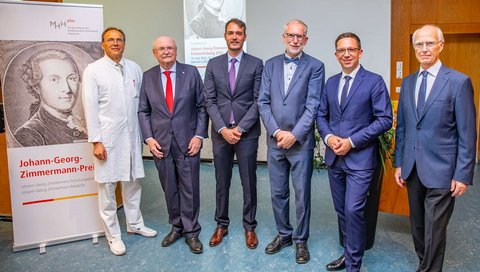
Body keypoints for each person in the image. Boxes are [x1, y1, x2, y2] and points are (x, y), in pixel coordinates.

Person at [394, 24, 476, 272]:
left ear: (441, 45)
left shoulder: (459, 82)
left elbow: (467, 132)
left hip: (442, 168)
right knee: (418, 225)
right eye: (419, 44)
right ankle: (424, 263)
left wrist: (462, 174)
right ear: (414, 48)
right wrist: (399, 162)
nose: (424, 49)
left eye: (430, 43)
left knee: (435, 227)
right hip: (412, 166)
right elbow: (404, 128)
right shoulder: (408, 83)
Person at [316, 32, 393, 271]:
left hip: (360, 159)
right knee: (341, 211)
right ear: (335, 54)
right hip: (334, 158)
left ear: (360, 52)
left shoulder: (373, 81)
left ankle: (353, 265)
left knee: (353, 210)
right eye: (341, 50)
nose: (346, 54)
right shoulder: (330, 83)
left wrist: (351, 141)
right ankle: (348, 254)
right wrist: (329, 138)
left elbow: (385, 120)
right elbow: (321, 115)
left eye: (351, 49)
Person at [82, 27, 157, 256]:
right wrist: (96, 141)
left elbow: (142, 105)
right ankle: (113, 236)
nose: (115, 43)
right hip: (107, 139)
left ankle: (134, 224)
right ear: (102, 44)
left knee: (133, 183)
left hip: (131, 136)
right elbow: (90, 106)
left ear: (124, 43)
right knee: (107, 188)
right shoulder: (93, 71)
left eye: (119, 40)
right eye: (110, 40)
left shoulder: (133, 68)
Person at [258, 19, 324, 264]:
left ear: (306, 40)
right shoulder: (270, 65)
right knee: (277, 192)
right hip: (275, 142)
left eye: (300, 36)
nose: (295, 40)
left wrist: (294, 134)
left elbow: (313, 105)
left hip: (300, 143)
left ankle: (301, 240)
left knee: (301, 194)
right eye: (291, 35)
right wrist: (277, 132)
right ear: (283, 37)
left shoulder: (316, 66)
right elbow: (263, 102)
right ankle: (283, 234)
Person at [138, 36, 208, 254]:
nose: (166, 51)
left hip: (188, 142)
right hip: (161, 143)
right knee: (169, 188)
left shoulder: (191, 72)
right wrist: (149, 139)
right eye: (161, 48)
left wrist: (198, 136)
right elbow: (143, 110)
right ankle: (176, 226)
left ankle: (191, 231)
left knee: (189, 188)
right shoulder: (148, 76)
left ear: (176, 50)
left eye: (170, 48)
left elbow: (202, 107)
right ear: (154, 52)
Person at [203, 18, 263, 249]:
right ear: (225, 36)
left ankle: (250, 227)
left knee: (249, 181)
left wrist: (239, 129)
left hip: (246, 133)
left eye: (239, 33)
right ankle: (222, 225)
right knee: (222, 181)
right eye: (231, 33)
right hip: (220, 134)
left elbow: (259, 100)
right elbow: (210, 100)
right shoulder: (213, 64)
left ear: (245, 37)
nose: (235, 37)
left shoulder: (256, 64)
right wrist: (222, 129)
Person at [14, 49, 87, 146]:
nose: (67, 89)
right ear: (36, 87)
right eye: (54, 79)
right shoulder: (29, 134)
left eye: (72, 78)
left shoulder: (82, 123)